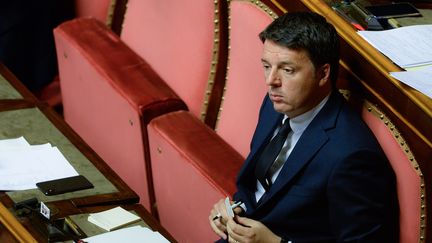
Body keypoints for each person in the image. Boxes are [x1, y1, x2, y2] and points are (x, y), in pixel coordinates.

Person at [209, 11, 398, 243]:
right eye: (267, 66)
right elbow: (259, 190)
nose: (271, 81)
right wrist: (234, 210)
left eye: (287, 70)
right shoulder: (275, 105)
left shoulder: (353, 157)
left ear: (322, 74)